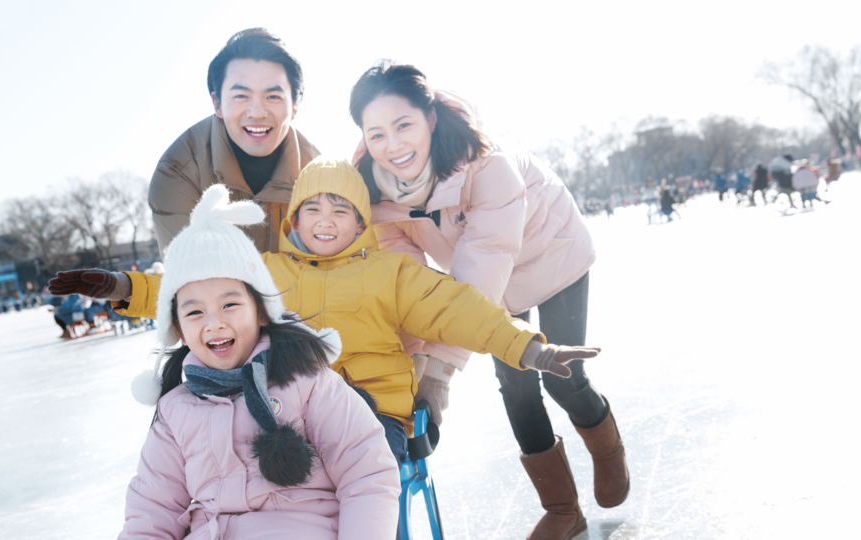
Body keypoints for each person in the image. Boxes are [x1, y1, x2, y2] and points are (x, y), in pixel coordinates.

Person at [50, 160, 600, 472]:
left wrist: (530, 348)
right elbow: (197, 286)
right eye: (313, 207)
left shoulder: (391, 272)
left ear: (361, 220)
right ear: (294, 218)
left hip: (372, 415)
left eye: (342, 209)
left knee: (344, 468)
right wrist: (122, 287)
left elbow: (460, 309)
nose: (326, 219)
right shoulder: (264, 268)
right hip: (288, 412)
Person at [347, 62, 626, 540]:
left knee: (563, 378)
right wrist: (408, 370)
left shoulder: (487, 167)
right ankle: (563, 509)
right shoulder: (374, 197)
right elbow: (406, 284)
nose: (392, 146)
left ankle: (605, 444)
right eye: (376, 134)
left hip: (551, 258)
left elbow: (479, 278)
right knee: (516, 387)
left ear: (430, 119)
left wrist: (437, 378)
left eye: (403, 125)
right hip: (486, 275)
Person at [117, 189, 401, 539]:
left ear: (262, 311)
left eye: (230, 305)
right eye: (194, 312)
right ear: (177, 327)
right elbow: (152, 509)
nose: (214, 323)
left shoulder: (307, 383)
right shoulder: (176, 411)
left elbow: (367, 474)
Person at [148, 28, 320, 253]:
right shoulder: (178, 171)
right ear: (217, 103)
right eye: (241, 96)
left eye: (273, 97)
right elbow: (192, 276)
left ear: (295, 105)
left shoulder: (318, 173)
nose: (257, 112)